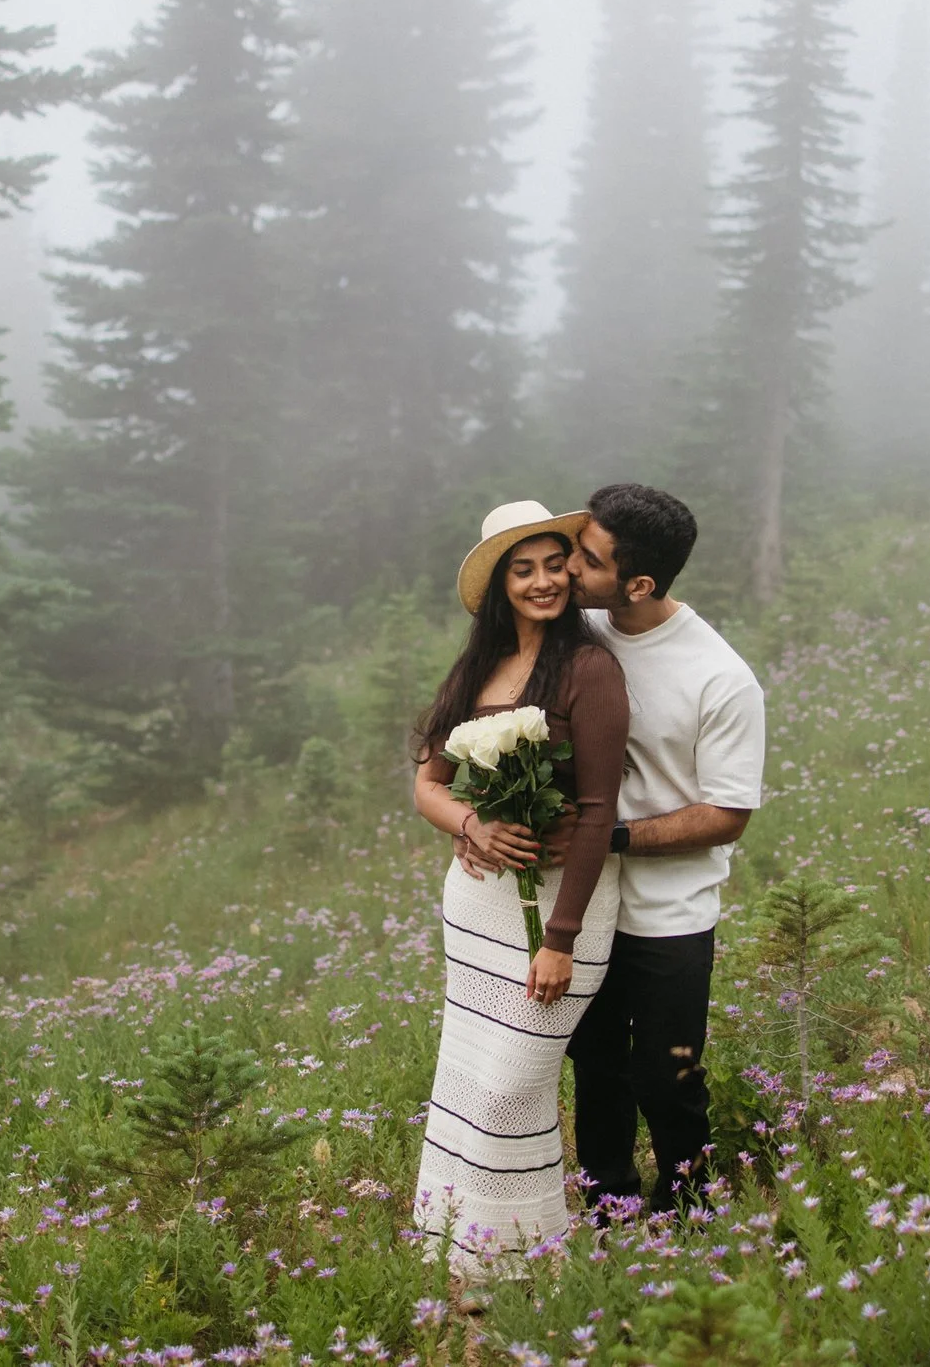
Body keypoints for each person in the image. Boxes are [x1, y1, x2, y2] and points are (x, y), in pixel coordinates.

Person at [458, 483, 764, 1216]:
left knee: (666, 1075)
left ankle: (689, 1207)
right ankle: (608, 1204)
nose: (565, 572)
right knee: (594, 1065)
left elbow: (727, 814)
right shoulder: (579, 628)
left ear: (639, 583)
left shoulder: (720, 678)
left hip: (668, 908)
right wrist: (478, 820)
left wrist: (610, 834)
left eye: (584, 560)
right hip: (585, 899)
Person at [407, 500, 628, 1276]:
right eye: (522, 568)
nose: (542, 581)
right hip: (481, 904)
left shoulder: (589, 668)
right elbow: (429, 784)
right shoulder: (476, 667)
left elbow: (598, 809)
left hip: (565, 910)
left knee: (510, 1088)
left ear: (572, 568)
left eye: (553, 563)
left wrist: (560, 939)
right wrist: (475, 828)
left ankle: (517, 1259)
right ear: (501, 583)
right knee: (468, 1081)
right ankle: (476, 1263)